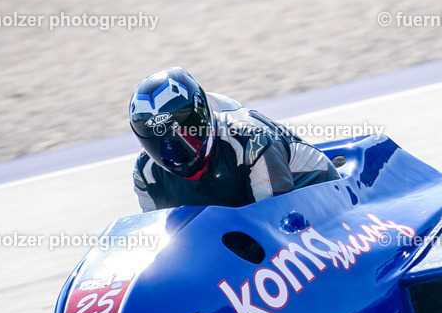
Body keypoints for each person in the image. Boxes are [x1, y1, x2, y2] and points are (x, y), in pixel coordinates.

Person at [128, 67, 339, 211]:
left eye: (186, 132)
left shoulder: (252, 142)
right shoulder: (146, 173)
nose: (174, 149)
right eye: (159, 142)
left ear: (204, 115)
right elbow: (161, 242)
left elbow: (279, 222)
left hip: (323, 203)